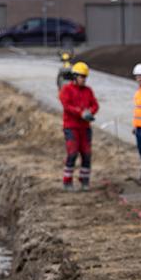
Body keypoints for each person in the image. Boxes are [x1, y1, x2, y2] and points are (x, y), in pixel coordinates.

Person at [59, 60, 99, 191]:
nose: (84, 80)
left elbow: (95, 105)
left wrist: (90, 112)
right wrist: (80, 113)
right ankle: (67, 181)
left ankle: (84, 180)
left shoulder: (88, 91)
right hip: (71, 127)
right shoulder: (67, 90)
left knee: (86, 154)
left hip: (85, 128)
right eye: (82, 77)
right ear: (75, 76)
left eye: (85, 77)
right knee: (72, 153)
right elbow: (67, 106)